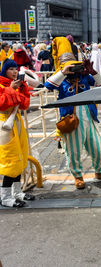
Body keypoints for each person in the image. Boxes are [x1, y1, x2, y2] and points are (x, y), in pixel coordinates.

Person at [44, 37, 101, 189]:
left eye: (74, 65)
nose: (73, 68)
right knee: (73, 151)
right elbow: (48, 85)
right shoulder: (61, 79)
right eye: (70, 66)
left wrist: (92, 71)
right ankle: (78, 176)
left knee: (98, 148)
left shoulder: (85, 76)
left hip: (89, 117)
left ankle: (99, 171)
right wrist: (63, 72)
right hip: (71, 119)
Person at [0, 59, 35, 207]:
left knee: (21, 156)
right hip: (5, 126)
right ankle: (6, 197)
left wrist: (23, 89)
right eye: (11, 69)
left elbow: (24, 105)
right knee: (11, 160)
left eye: (16, 69)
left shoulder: (15, 84)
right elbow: (2, 104)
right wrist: (11, 90)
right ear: (4, 71)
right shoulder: (2, 85)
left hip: (17, 123)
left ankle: (17, 192)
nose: (14, 72)